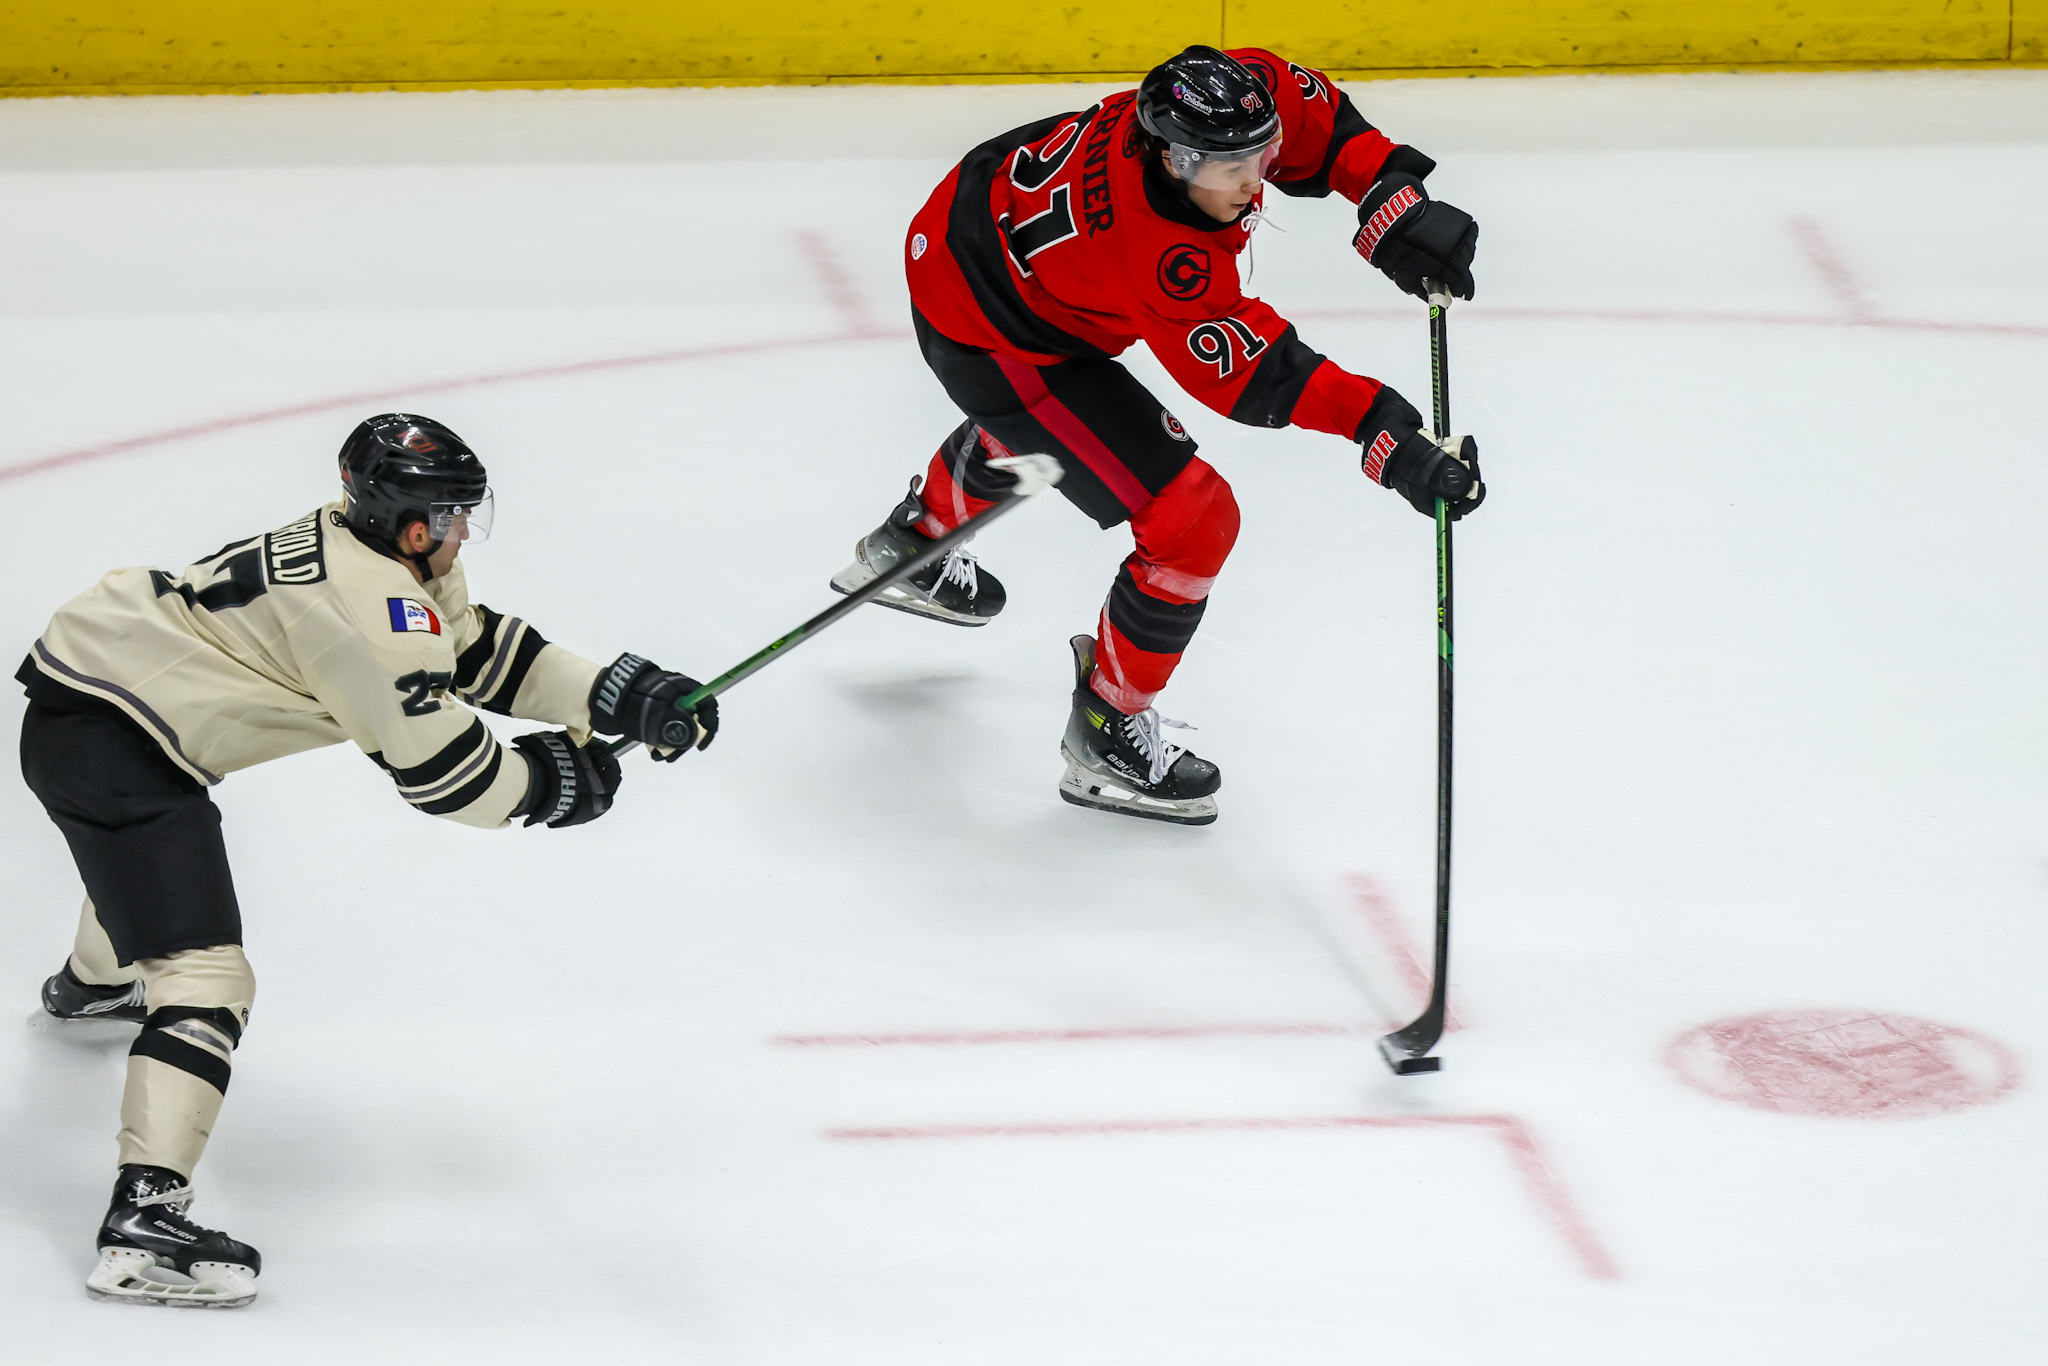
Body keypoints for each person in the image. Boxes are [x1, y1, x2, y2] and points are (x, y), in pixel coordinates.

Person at [21, 413, 719, 1307]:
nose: (466, 530)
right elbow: (446, 778)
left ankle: (91, 986)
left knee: (144, 871)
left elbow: (470, 651)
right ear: (411, 523)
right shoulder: (368, 613)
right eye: (456, 515)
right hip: (113, 746)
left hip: (98, 700)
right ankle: (142, 1222)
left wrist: (608, 692)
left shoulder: (373, 550)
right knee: (207, 978)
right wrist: (550, 785)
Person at [831, 45, 1485, 825]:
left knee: (1064, 435)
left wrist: (1389, 193)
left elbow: (1318, 120)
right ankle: (1107, 727)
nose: (1256, 178)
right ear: (1174, 161)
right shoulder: (1162, 258)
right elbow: (1261, 375)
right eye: (1231, 167)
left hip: (980, 226)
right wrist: (1385, 432)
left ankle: (921, 538)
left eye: (1261, 151)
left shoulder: (1237, 93)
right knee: (1193, 519)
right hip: (989, 328)